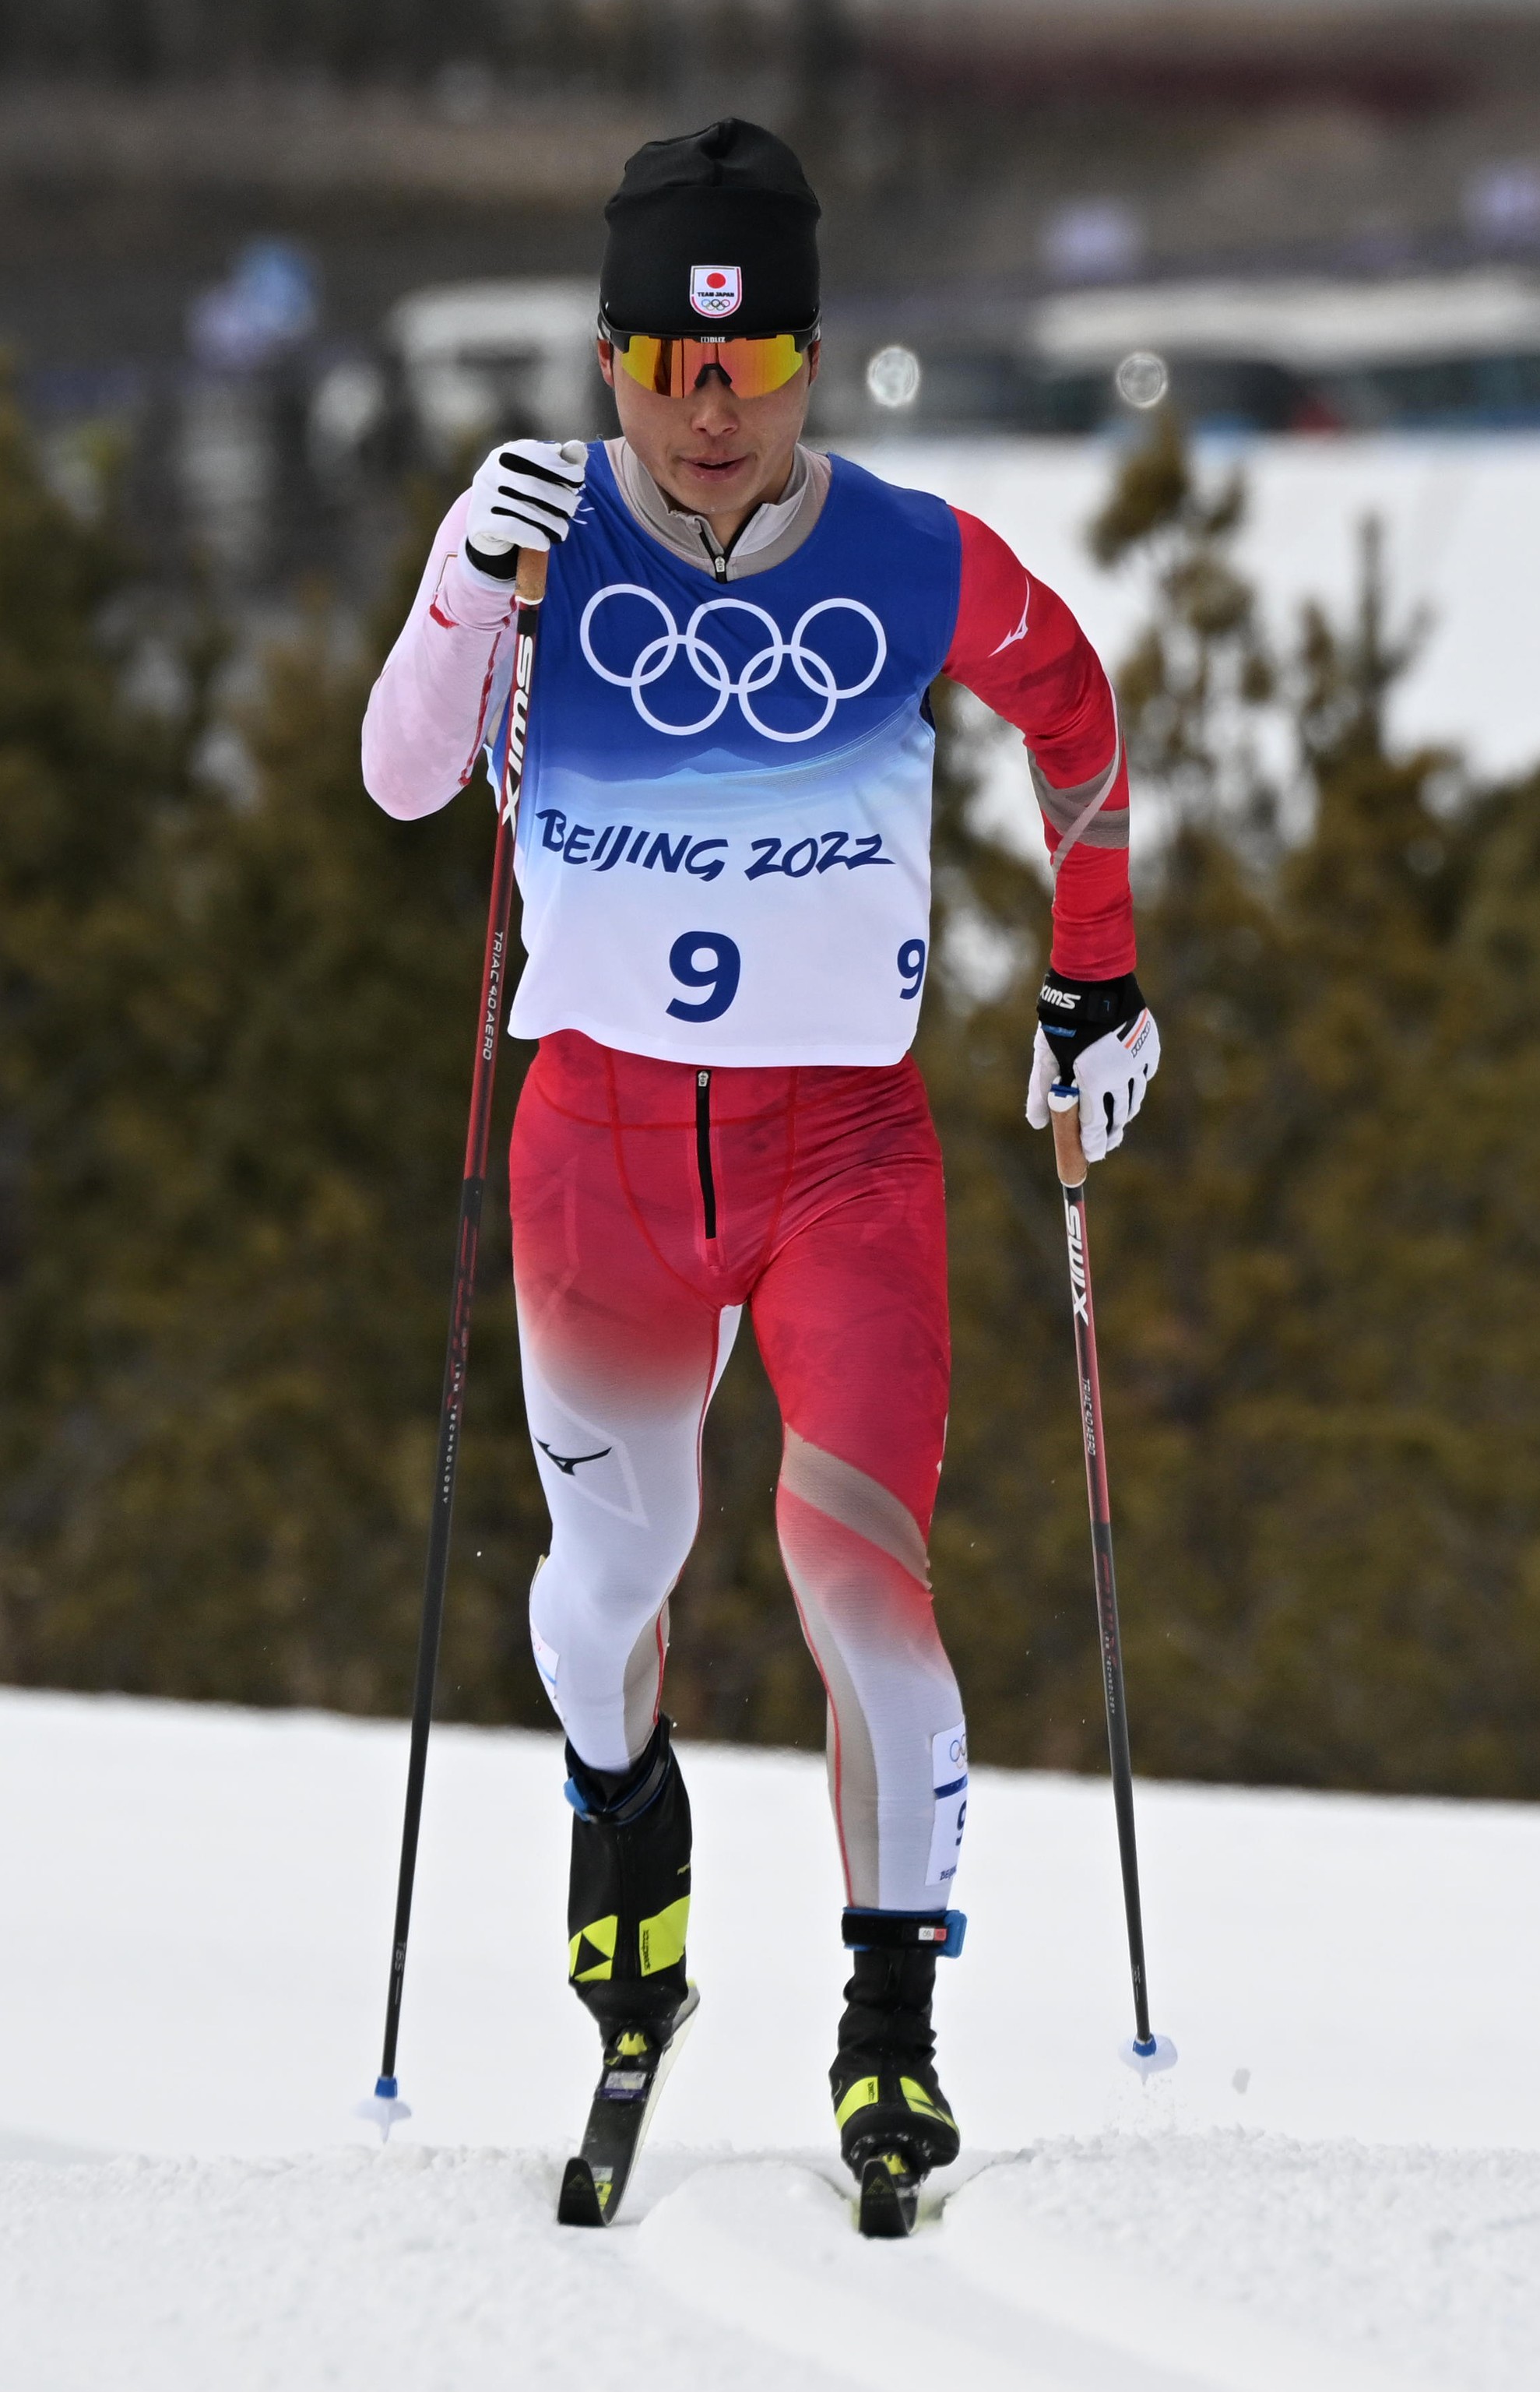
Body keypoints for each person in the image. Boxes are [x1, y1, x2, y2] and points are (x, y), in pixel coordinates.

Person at [362, 117, 1159, 2200]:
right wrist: (460, 580)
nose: (713, 411)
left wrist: (1097, 986)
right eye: (666, 365)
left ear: (810, 357)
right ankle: (625, 1814)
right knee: (603, 1589)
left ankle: (890, 2014)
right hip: (602, 1157)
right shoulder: (536, 548)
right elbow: (403, 776)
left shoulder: (907, 557)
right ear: (613, 360)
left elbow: (1069, 701)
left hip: (842, 1161)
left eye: (757, 361)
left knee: (858, 1584)